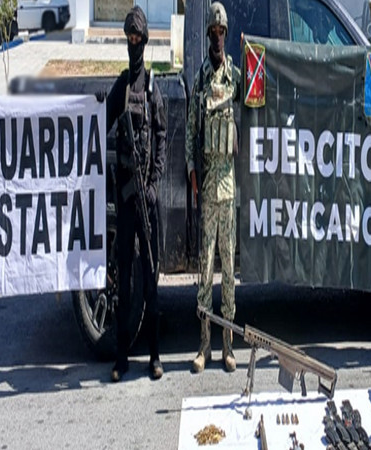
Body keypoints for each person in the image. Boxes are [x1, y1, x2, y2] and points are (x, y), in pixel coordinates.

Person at [99, 6, 168, 381]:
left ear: (145, 40)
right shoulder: (122, 86)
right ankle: (121, 357)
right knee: (124, 279)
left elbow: (160, 135)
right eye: (129, 39)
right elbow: (101, 122)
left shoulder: (153, 87)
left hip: (146, 195)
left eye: (138, 38)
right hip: (125, 198)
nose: (134, 44)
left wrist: (154, 182)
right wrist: (95, 102)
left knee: (151, 274)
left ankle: (155, 356)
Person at [185, 1, 241, 374]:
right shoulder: (202, 79)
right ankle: (204, 345)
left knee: (230, 273)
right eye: (213, 33)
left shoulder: (236, 75)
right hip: (207, 189)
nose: (218, 38)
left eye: (222, 33)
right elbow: (191, 133)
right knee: (205, 272)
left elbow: (259, 90)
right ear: (208, 36)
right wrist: (191, 172)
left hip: (229, 188)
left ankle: (228, 346)